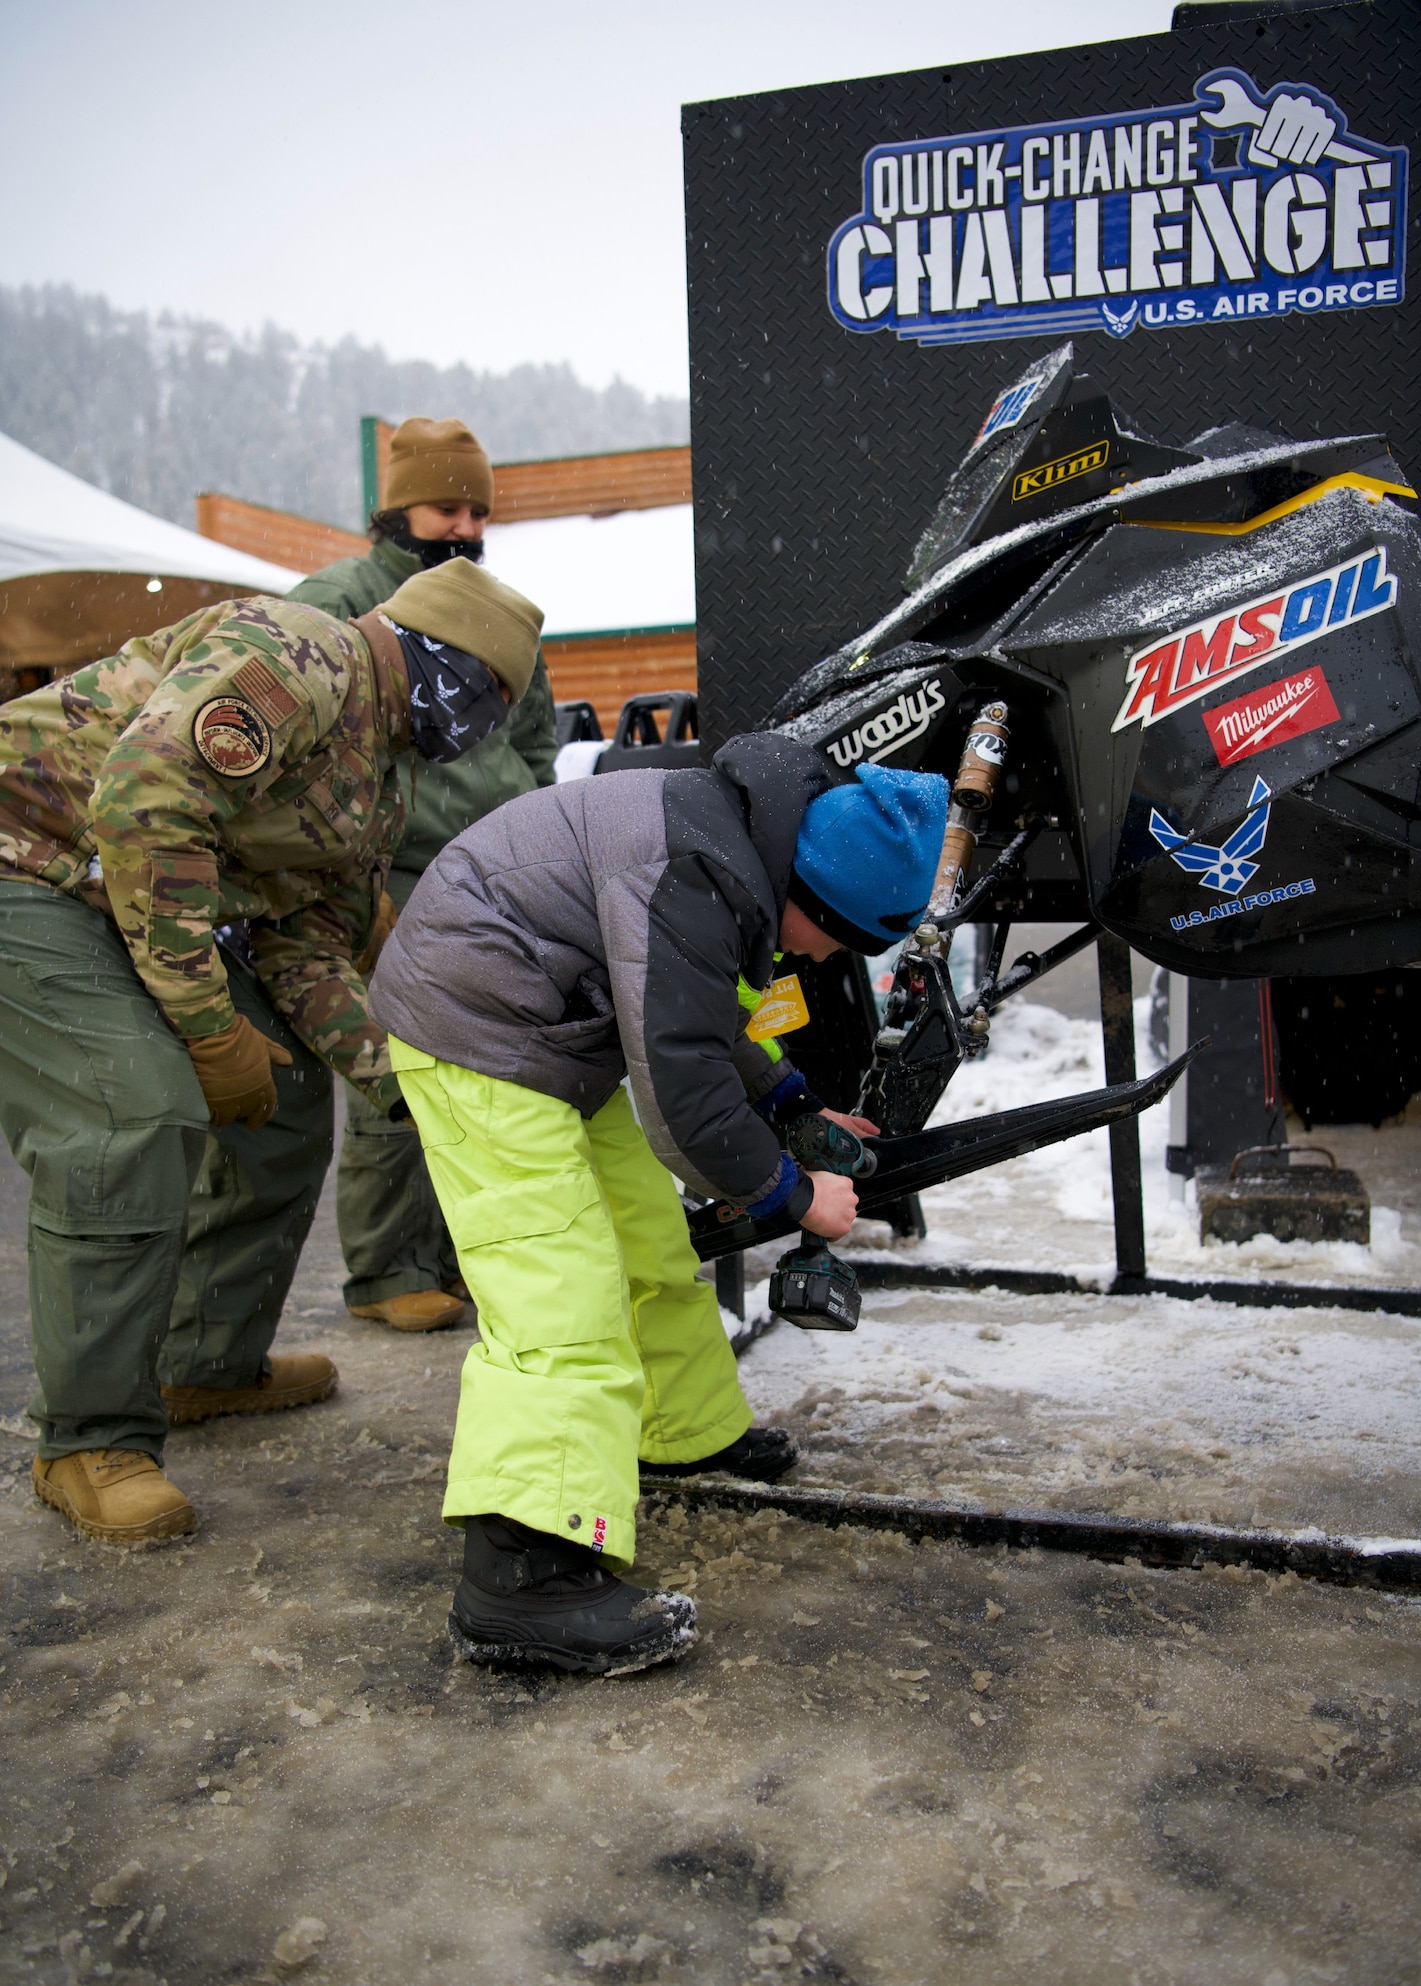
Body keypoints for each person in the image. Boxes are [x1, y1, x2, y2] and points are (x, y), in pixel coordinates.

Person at [369, 737, 949, 1673]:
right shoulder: (704, 867)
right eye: (839, 936)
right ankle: (520, 1576)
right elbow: (682, 1097)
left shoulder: (740, 847)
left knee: (645, 1238)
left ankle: (678, 1431)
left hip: (560, 1022)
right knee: (559, 1288)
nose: (827, 954)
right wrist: (800, 1196)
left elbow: (690, 1010)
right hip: (477, 1022)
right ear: (817, 896)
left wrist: (793, 1107)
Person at [0, 558, 542, 1543]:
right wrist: (209, 1028)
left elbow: (306, 950)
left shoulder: (378, 769)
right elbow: (143, 801)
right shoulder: (303, 659)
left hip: (107, 886)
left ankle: (201, 1362)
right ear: (442, 661)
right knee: (134, 1111)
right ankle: (85, 1441)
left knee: (282, 1108)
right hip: (24, 857)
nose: (485, 724)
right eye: (488, 695)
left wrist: (412, 1087)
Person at [288, 417, 558, 1334]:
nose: (464, 525)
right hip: (387, 869)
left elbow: (535, 734)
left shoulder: (500, 603)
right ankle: (385, 1270)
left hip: (491, 871)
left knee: (482, 1068)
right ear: (397, 505)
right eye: (447, 505)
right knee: (396, 1060)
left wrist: (535, 813)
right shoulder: (336, 598)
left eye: (477, 508)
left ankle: (456, 1256)